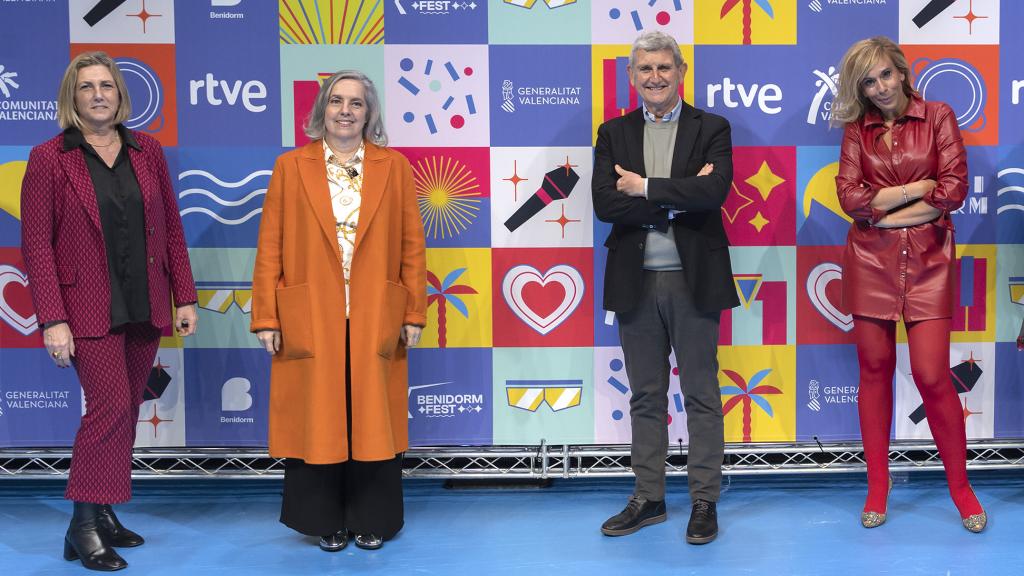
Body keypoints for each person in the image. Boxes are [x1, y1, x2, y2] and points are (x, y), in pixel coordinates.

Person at [20, 51, 197, 571]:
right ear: (71, 98)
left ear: (121, 94)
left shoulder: (149, 151)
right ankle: (81, 526)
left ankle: (103, 511)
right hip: (85, 309)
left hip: (144, 304)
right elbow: (37, 245)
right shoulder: (49, 157)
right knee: (109, 408)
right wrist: (53, 318)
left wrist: (183, 295)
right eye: (86, 87)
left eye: (107, 86)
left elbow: (170, 227)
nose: (98, 95)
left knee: (125, 411)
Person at [251, 70, 426, 553]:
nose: (345, 111)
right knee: (319, 416)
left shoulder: (396, 167)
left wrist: (413, 312)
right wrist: (266, 315)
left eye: (356, 103)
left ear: (370, 114)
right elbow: (271, 246)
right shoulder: (290, 167)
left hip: (375, 311)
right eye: (336, 101)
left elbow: (412, 246)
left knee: (372, 418)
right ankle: (324, 519)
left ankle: (373, 517)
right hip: (311, 313)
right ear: (321, 110)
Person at [833, 36, 985, 533]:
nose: (878, 88)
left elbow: (953, 191)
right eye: (868, 81)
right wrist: (913, 189)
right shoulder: (857, 130)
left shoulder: (938, 114)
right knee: (874, 369)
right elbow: (851, 200)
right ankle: (878, 484)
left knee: (932, 374)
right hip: (870, 264)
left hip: (929, 263)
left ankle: (960, 488)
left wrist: (888, 210)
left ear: (901, 71)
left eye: (884, 75)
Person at [592, 31, 738, 545]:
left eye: (664, 68)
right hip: (635, 280)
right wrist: (678, 196)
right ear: (631, 77)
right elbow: (606, 204)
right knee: (646, 396)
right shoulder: (613, 133)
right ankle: (648, 497)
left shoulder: (713, 127)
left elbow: (714, 191)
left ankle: (704, 499)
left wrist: (645, 187)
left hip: (693, 280)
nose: (655, 77)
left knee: (701, 393)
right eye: (644, 69)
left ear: (680, 72)